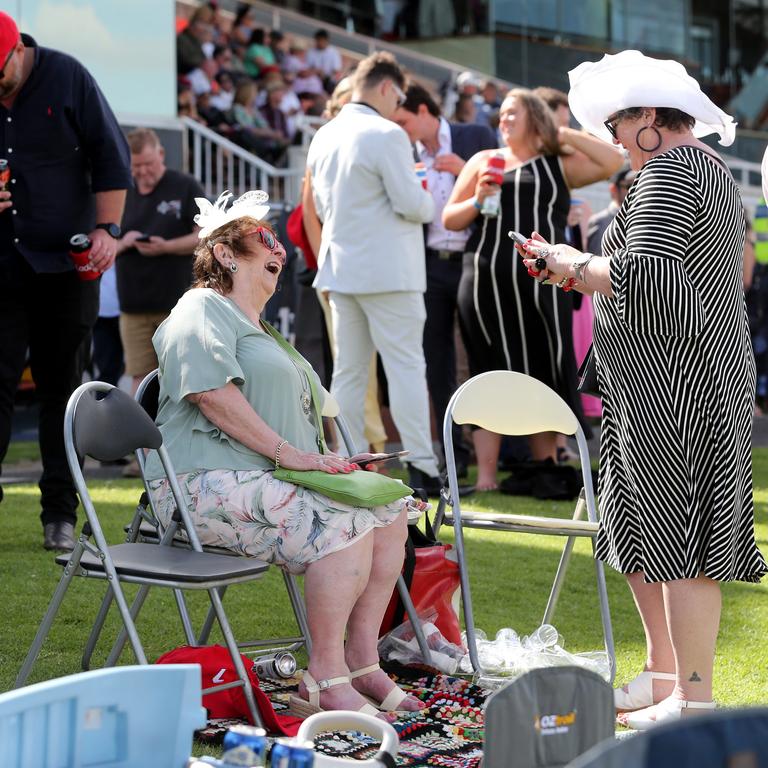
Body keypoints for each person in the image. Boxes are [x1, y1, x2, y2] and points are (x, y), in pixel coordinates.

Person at [518, 49, 768, 729]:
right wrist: (572, 267)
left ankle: (692, 698)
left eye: (621, 124)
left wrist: (571, 264)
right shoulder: (700, 172)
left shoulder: (670, 173)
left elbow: (649, 277)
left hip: (676, 384)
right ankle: (667, 680)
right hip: (667, 380)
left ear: (653, 118)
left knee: (679, 541)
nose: (614, 138)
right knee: (640, 533)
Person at [144, 190, 426, 717]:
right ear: (226, 254)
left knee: (389, 513)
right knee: (346, 522)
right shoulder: (202, 307)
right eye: (265, 240)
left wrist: (336, 462)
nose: (281, 250)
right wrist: (289, 454)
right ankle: (322, 675)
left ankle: (361, 660)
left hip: (263, 479)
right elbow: (210, 395)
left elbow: (303, 428)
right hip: (199, 483)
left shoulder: (267, 334)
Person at [442, 88, 622, 491]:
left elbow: (613, 160)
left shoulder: (558, 163)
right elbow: (450, 219)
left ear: (534, 118)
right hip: (485, 279)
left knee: (544, 366)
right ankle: (487, 477)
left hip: (543, 282)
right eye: (502, 114)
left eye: (513, 114)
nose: (503, 120)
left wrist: (561, 131)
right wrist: (477, 200)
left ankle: (545, 468)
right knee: (487, 367)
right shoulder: (482, 161)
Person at [0, 12, 130, 551]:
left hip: (65, 264)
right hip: (3, 263)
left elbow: (110, 156)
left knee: (62, 391)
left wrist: (107, 230)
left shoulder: (67, 76)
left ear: (15, 52)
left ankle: (59, 513)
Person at [306, 52, 442, 494]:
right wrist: (429, 199)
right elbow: (411, 203)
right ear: (386, 88)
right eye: (398, 96)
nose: (398, 105)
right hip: (389, 272)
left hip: (342, 268)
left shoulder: (323, 135)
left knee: (348, 371)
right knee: (405, 367)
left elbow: (323, 208)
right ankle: (422, 465)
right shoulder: (387, 134)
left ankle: (350, 459)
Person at [394, 82, 497, 477]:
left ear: (424, 111)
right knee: (435, 361)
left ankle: (498, 455)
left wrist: (463, 173)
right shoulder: (401, 154)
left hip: (475, 259)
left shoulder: (476, 136)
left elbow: (497, 201)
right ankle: (453, 457)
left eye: (403, 120)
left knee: (481, 356)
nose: (399, 129)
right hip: (428, 266)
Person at [115, 129, 203, 399]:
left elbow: (206, 233)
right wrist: (126, 242)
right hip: (133, 305)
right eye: (137, 167)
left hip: (177, 304)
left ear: (161, 155)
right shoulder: (121, 192)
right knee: (140, 378)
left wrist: (167, 247)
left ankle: (180, 439)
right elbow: (103, 244)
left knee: (183, 375)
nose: (143, 172)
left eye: (149, 164)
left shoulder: (185, 185)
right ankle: (140, 440)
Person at [586, 166, 635, 255]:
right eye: (630, 186)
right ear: (613, 189)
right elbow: (595, 263)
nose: (636, 189)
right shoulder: (600, 222)